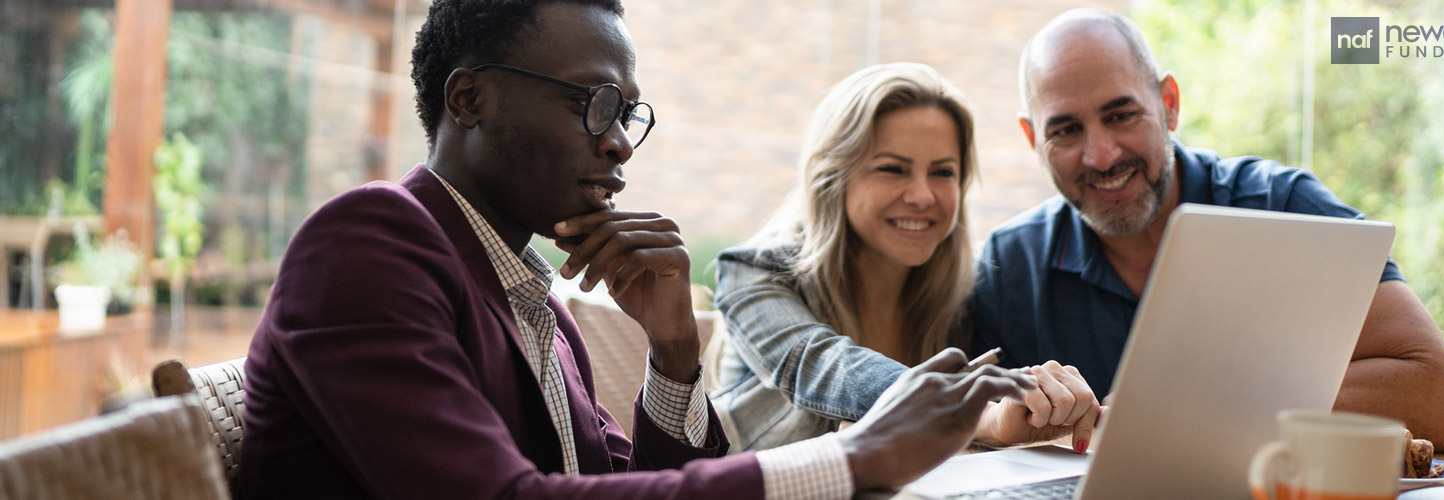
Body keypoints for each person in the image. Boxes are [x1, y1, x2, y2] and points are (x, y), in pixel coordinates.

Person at [233, 1, 1037, 499]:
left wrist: (675, 354)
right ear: (469, 97)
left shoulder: (533, 296)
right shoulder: (368, 244)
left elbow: (625, 489)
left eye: (629, 113)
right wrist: (856, 456)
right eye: (594, 104)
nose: (619, 144)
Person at [970, 9, 1444, 452]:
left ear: (1169, 103)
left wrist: (1197, 407)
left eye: (1120, 114)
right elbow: (944, 412)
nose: (1101, 154)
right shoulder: (1009, 265)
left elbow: (1441, 399)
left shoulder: (1285, 206)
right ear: (1033, 139)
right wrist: (997, 420)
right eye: (1065, 130)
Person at [711, 63, 1101, 454]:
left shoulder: (967, 291)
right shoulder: (753, 272)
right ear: (834, 178)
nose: (922, 196)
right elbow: (824, 368)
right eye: (893, 169)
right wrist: (979, 415)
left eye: (942, 172)